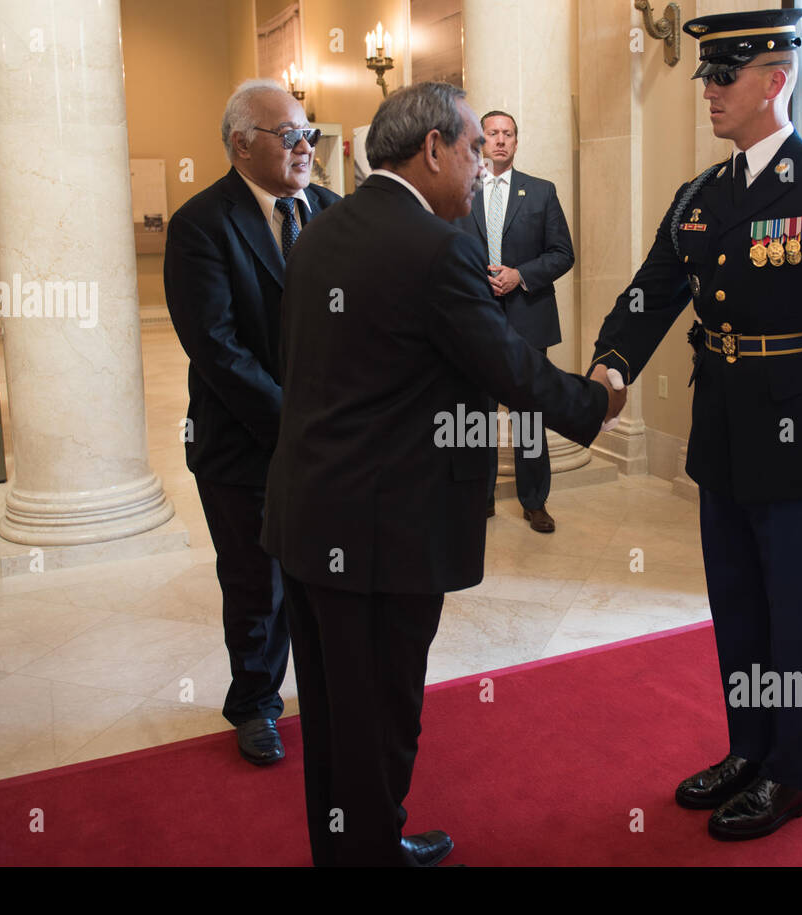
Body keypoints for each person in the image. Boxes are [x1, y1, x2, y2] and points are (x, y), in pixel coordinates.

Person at [261, 81, 625, 866]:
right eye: (468, 151)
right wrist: (596, 399)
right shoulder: (437, 248)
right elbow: (509, 370)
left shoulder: (320, 228)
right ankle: (372, 851)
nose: (475, 168)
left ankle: (353, 846)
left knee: (332, 716)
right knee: (384, 715)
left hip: (310, 516)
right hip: (382, 531)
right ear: (431, 149)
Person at [587, 8, 802, 840]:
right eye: (705, 77)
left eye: (725, 77)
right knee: (738, 607)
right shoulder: (702, 196)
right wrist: (611, 362)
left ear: (778, 79)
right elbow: (651, 291)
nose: (710, 93)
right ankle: (748, 747)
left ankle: (791, 776)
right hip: (726, 438)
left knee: (795, 619)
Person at [164, 79, 340, 767]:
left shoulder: (332, 211)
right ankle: (257, 704)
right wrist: (291, 424)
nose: (304, 148)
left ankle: (329, 694)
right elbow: (216, 348)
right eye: (289, 136)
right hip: (244, 444)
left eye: (308, 133)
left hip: (328, 444)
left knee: (329, 576)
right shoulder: (201, 224)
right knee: (256, 583)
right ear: (242, 144)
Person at [454, 111, 576, 532]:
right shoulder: (460, 192)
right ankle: (479, 497)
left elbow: (563, 253)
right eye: (492, 134)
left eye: (508, 134)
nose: (500, 140)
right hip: (476, 318)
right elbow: (445, 251)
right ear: (480, 141)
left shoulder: (541, 192)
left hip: (527, 318)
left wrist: (519, 275)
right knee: (479, 416)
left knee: (527, 415)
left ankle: (534, 501)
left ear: (517, 143)